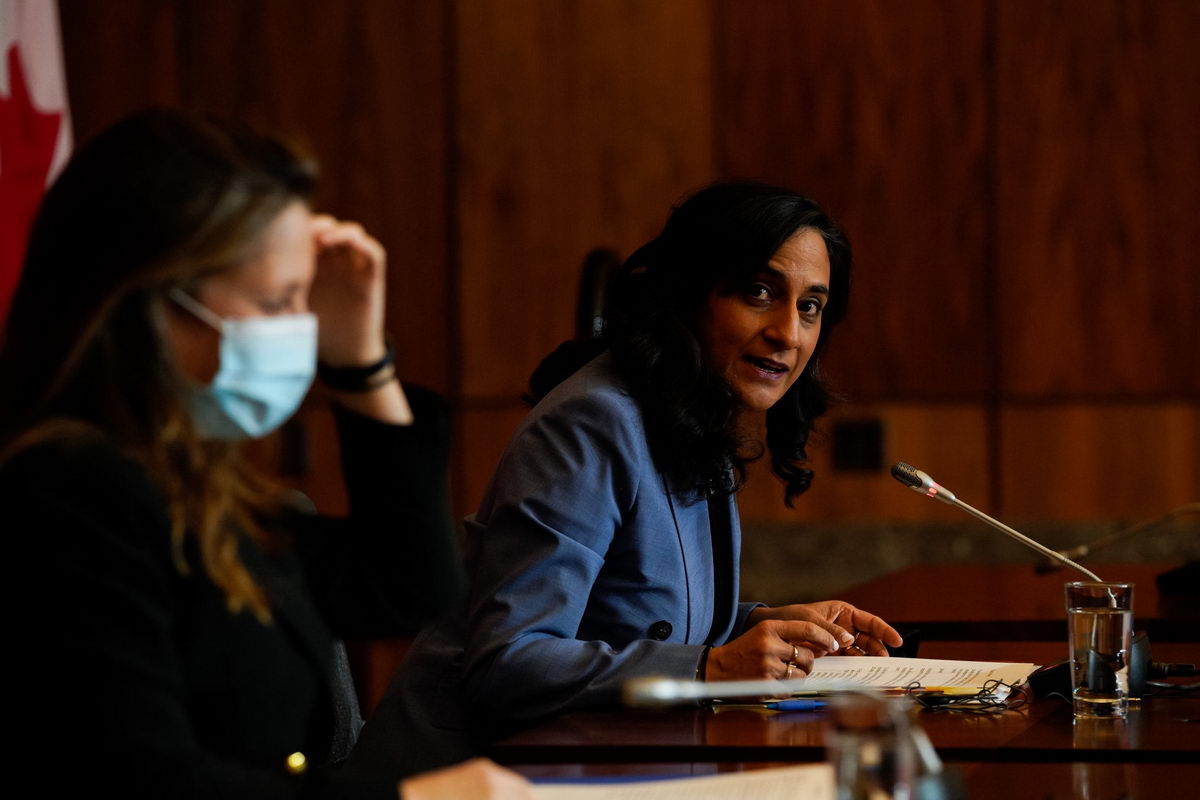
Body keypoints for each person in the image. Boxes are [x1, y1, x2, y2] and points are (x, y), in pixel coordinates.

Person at [0, 110, 531, 799]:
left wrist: (361, 365)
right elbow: (145, 778)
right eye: (278, 301)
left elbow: (408, 586)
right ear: (149, 307)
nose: (301, 329)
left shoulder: (194, 480)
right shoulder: (67, 491)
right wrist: (415, 798)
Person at [351, 181, 902, 775]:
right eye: (759, 292)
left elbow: (628, 611)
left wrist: (759, 625)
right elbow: (507, 662)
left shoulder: (692, 413)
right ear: (690, 292)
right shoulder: (593, 421)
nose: (788, 333)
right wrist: (712, 667)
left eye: (810, 307)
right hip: (460, 778)